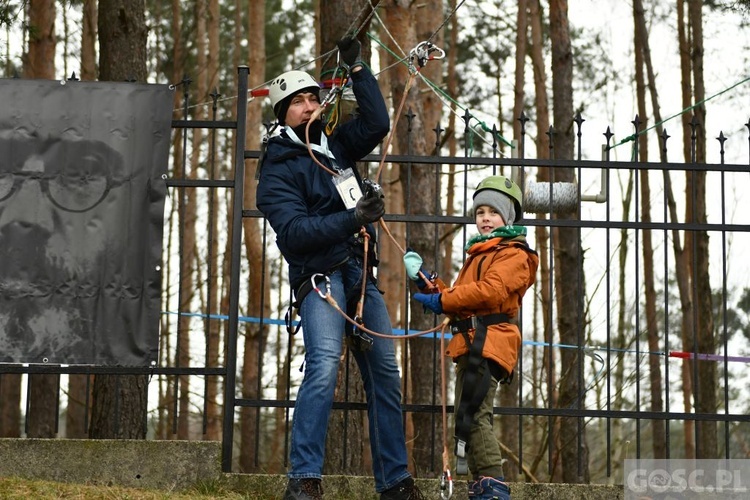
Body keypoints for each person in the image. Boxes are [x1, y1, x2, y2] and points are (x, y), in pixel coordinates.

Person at [255, 36, 423, 500]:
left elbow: (377, 121)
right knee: (324, 366)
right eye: (297, 103)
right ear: (282, 113)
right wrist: (353, 217)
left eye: (312, 99)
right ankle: (304, 479)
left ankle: (394, 482)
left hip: (360, 275)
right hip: (321, 279)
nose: (308, 107)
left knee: (386, 373)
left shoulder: (337, 148)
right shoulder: (277, 169)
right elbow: (293, 235)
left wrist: (358, 68)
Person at [403, 175, 539, 500]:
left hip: (490, 342)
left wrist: (445, 300)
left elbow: (489, 293)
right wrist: (429, 284)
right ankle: (482, 484)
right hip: (472, 342)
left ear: (508, 217)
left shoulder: (514, 254)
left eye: (493, 212)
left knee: (476, 415)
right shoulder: (478, 254)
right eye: (480, 212)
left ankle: (493, 486)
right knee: (466, 417)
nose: (486, 218)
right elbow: (462, 297)